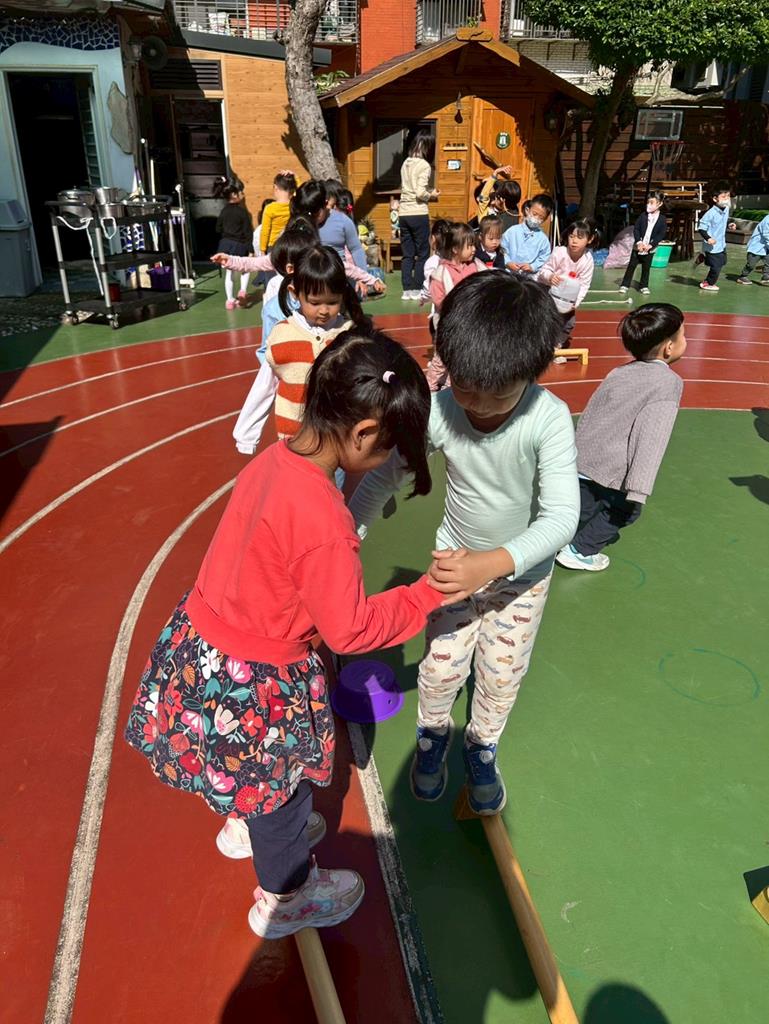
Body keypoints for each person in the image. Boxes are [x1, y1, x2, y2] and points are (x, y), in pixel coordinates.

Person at [125, 331, 452, 940]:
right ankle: (288, 895)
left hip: (202, 650)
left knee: (242, 770)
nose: (387, 460)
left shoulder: (273, 461)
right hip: (257, 683)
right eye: (388, 448)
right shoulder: (324, 520)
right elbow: (350, 629)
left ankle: (241, 822)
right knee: (283, 796)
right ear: (363, 435)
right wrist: (427, 594)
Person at [349, 273, 580, 815]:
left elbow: (562, 517)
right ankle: (433, 736)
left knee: (500, 675)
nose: (478, 404)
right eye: (466, 386)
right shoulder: (441, 410)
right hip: (453, 568)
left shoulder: (547, 419)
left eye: (497, 393)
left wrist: (493, 564)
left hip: (520, 581)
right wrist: (348, 533)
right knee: (439, 668)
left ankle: (481, 746)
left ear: (532, 371)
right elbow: (385, 477)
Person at [556, 303, 686, 572]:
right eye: (684, 335)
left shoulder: (619, 371)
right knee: (624, 512)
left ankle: (554, 539)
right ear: (669, 347)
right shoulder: (668, 383)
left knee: (581, 508)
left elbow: (592, 412)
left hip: (584, 460)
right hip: (615, 469)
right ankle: (580, 551)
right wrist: (638, 488)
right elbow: (652, 436)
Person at [232, 244, 369, 454]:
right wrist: (246, 436)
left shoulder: (349, 335)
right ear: (295, 293)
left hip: (338, 445)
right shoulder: (282, 335)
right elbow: (264, 387)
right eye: (314, 302)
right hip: (293, 443)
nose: (324, 311)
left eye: (332, 302)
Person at [425, 222, 487, 390]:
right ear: (455, 249)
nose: (474, 249)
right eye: (469, 246)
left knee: (461, 358)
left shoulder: (477, 266)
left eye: (474, 245)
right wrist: (458, 308)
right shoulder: (441, 272)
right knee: (441, 358)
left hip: (470, 323)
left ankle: (449, 385)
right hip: (449, 323)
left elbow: (487, 285)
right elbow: (438, 299)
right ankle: (429, 387)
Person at [538, 217, 598, 355]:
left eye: (579, 238)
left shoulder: (588, 260)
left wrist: (576, 303)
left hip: (568, 298)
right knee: (546, 320)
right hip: (549, 291)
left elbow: (584, 284)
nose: (574, 241)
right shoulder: (559, 252)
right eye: (572, 236)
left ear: (589, 239)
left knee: (569, 323)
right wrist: (550, 277)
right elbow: (544, 270)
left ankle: (556, 347)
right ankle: (541, 345)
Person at [399, 130, 440, 300]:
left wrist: (427, 191)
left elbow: (411, 188)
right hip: (418, 212)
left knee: (407, 254)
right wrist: (432, 194)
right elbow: (420, 193)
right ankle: (416, 288)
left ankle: (406, 290)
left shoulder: (406, 163)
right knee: (423, 252)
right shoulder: (424, 165)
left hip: (403, 213)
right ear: (429, 147)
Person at [213, 176, 254, 310]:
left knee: (229, 273)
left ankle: (230, 300)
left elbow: (218, 228)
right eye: (241, 192)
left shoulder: (224, 211)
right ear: (234, 194)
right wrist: (250, 249)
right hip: (240, 245)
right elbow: (248, 232)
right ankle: (242, 290)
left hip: (225, 245)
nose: (243, 194)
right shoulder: (242, 212)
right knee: (245, 269)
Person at [618, 191, 666, 296]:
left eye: (652, 203)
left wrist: (651, 245)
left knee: (646, 268)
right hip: (638, 247)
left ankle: (644, 286)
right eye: (648, 202)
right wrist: (639, 242)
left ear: (659, 204)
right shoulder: (643, 216)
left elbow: (661, 234)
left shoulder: (662, 219)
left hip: (650, 248)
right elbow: (636, 229)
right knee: (632, 266)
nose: (649, 205)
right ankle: (625, 284)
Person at [696, 181, 737, 291]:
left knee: (723, 261)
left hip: (721, 243)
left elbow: (724, 221)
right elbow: (701, 228)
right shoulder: (710, 214)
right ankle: (708, 283)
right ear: (715, 199)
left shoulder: (726, 209)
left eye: (728, 196)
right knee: (716, 266)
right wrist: (708, 238)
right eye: (723, 197)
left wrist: (730, 224)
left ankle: (705, 258)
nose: (727, 199)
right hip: (712, 246)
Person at [501, 195, 553, 275]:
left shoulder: (543, 240)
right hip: (508, 274)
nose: (536, 219)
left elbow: (544, 258)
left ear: (545, 219)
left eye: (541, 218)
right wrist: (507, 262)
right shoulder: (512, 231)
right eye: (534, 214)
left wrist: (532, 266)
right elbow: (502, 249)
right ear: (527, 210)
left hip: (528, 277)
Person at [261, 170, 298, 252]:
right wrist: (295, 176)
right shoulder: (295, 205)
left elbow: (265, 231)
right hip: (291, 245)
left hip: (274, 246)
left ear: (275, 187)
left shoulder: (270, 208)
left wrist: (262, 250)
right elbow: (301, 193)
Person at [737, 212, 769, 286]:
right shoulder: (767, 219)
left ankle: (766, 278)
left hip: (767, 249)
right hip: (757, 247)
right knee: (751, 264)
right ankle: (743, 276)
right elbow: (766, 233)